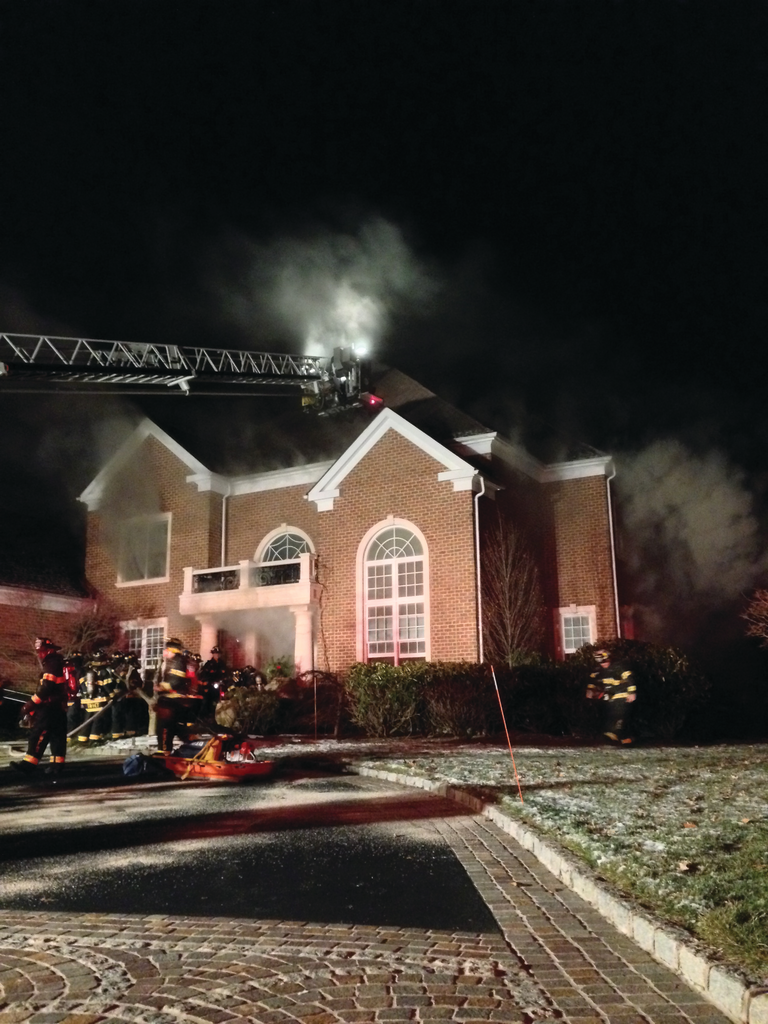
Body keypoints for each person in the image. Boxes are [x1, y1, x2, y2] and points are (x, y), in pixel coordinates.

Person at [11, 637, 68, 777]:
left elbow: (46, 687)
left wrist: (31, 704)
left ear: (48, 650)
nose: (39, 654)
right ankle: (56, 766)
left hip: (49, 707)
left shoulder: (52, 663)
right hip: (58, 706)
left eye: (41, 651)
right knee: (56, 736)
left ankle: (29, 764)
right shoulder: (57, 662)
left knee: (38, 734)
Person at [154, 638, 201, 754]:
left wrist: (162, 687)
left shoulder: (177, 661)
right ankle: (184, 744)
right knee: (171, 727)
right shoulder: (175, 661)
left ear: (172, 649)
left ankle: (164, 753)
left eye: (166, 648)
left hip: (170, 699)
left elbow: (177, 680)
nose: (165, 651)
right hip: (170, 699)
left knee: (164, 727)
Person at [587, 647, 637, 744]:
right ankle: (624, 738)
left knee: (618, 715)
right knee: (609, 715)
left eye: (605, 660)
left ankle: (616, 735)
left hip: (622, 695)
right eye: (600, 661)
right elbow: (592, 682)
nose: (603, 663)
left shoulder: (618, 667)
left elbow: (630, 679)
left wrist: (631, 693)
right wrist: (590, 691)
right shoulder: (597, 671)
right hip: (609, 697)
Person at [199, 646, 228, 714]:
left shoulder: (222, 664)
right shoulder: (209, 664)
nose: (217, 655)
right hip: (211, 685)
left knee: (221, 699)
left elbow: (226, 673)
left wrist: (225, 679)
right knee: (208, 700)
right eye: (215, 653)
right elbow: (204, 674)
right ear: (213, 654)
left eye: (218, 653)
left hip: (220, 684)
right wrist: (207, 682)